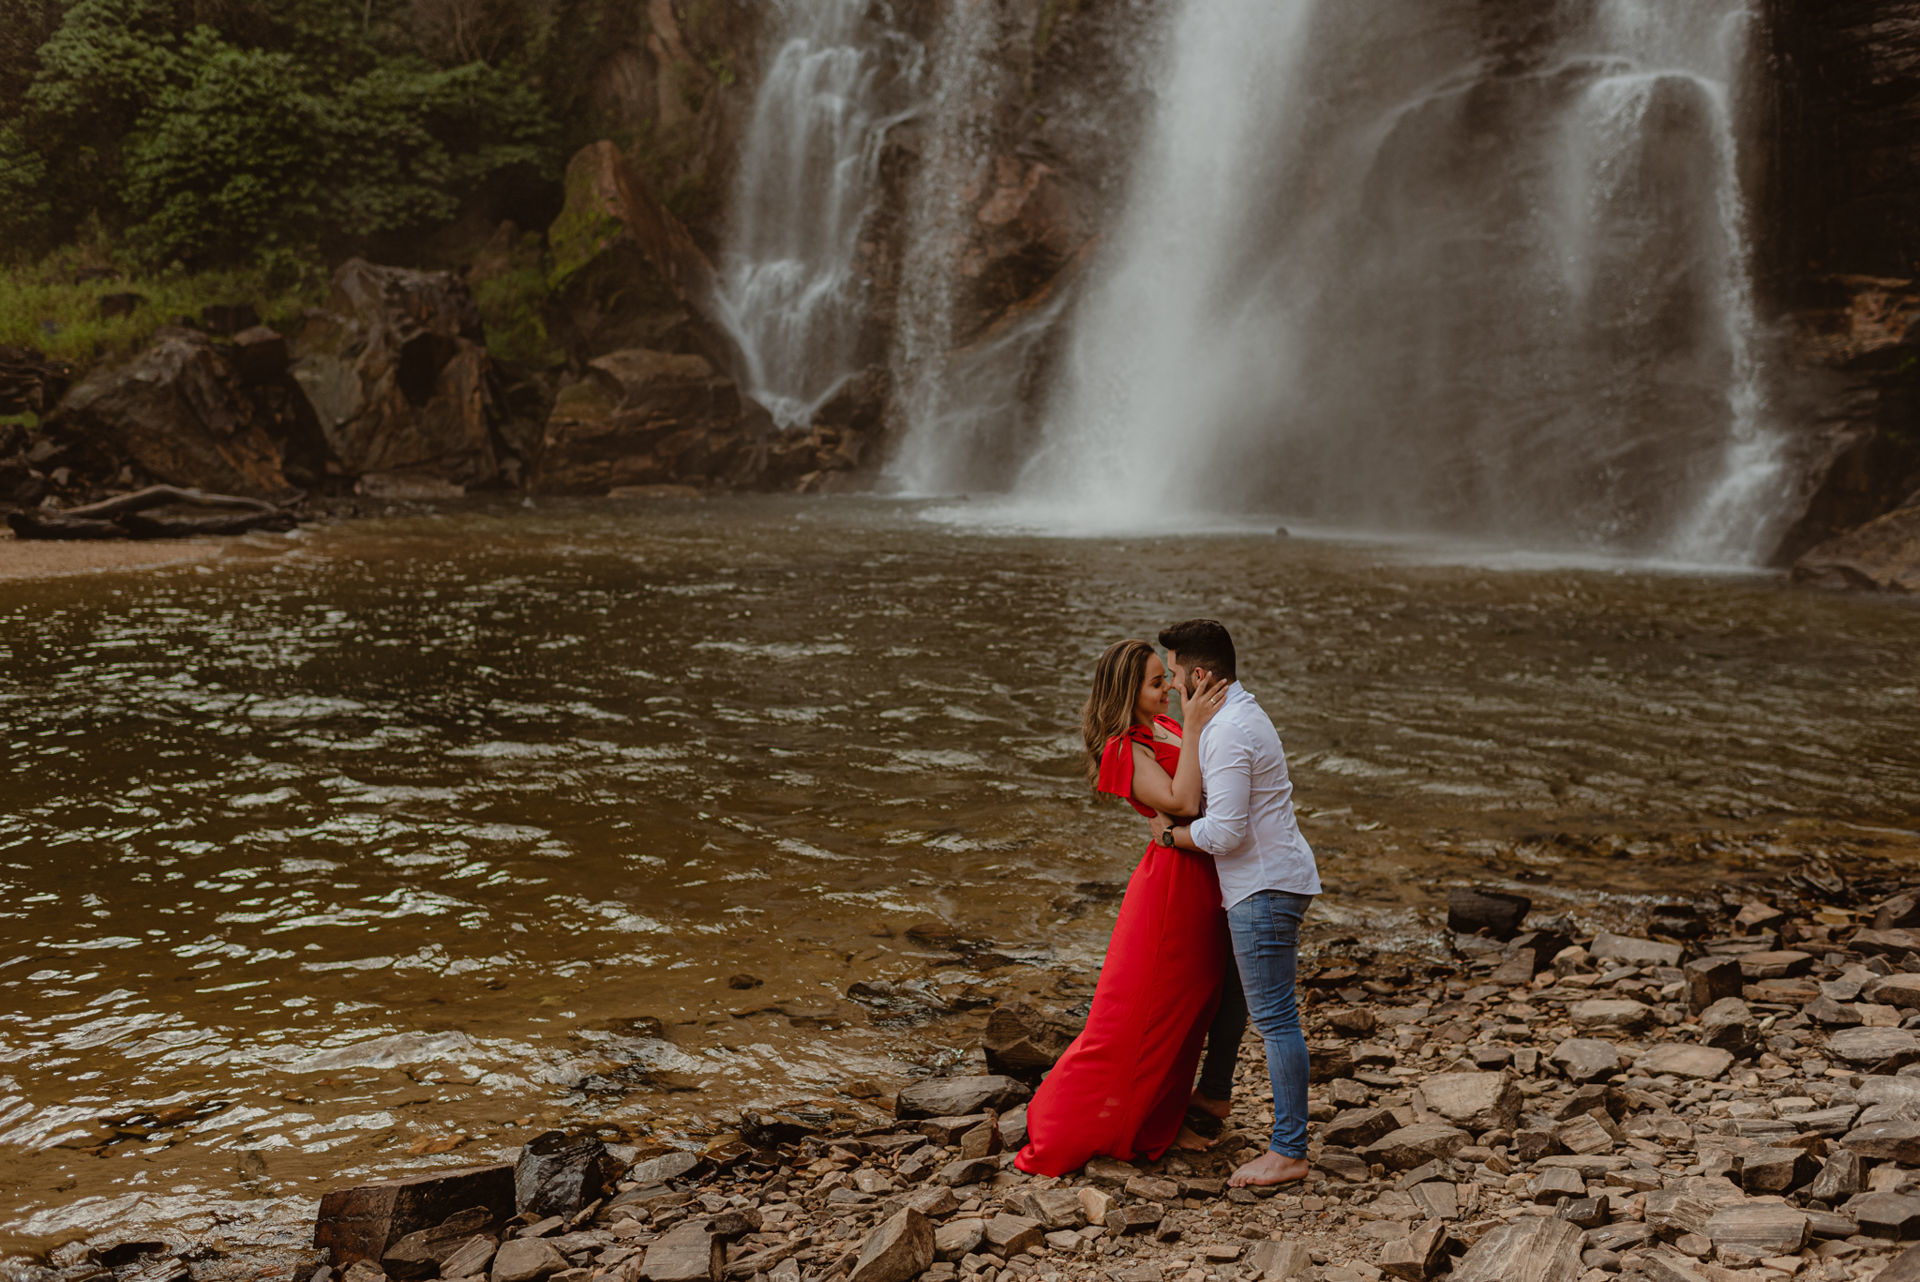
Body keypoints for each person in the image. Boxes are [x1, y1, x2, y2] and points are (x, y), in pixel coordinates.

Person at [1014, 639, 1231, 1175]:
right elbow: (1180, 802)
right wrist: (1197, 724)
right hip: (1171, 892)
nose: (1169, 689)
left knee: (1189, 1013)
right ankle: (1064, 1125)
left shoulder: (1165, 727)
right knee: (1136, 1017)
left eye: (1166, 679)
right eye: (1157, 683)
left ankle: (1161, 1117)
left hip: (1203, 874)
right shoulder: (1122, 746)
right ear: (1126, 692)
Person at [1150, 618, 1321, 1188]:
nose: (1173, 686)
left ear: (1200, 676)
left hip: (1263, 887)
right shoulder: (1239, 714)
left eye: (1174, 675)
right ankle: (1217, 1094)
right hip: (1270, 880)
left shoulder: (1226, 732)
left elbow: (1223, 833)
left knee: (1276, 1018)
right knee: (1239, 1000)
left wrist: (1168, 836)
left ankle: (1289, 1150)